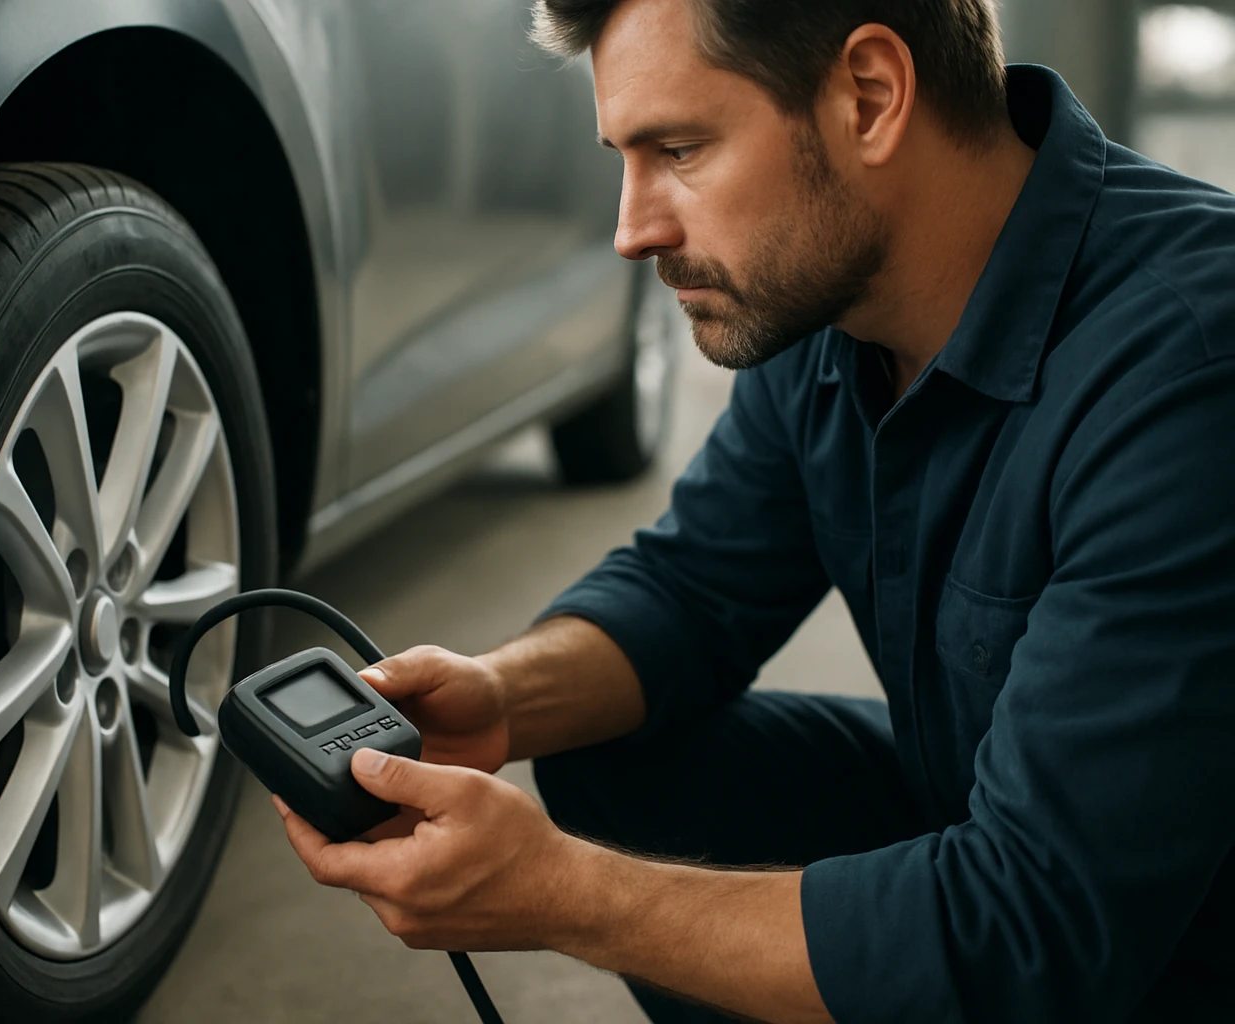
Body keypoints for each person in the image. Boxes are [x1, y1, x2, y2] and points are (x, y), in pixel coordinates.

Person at [272, 0, 1235, 1020]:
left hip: (1168, 938)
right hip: (996, 821)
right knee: (613, 751)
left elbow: (1033, 932)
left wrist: (557, 891)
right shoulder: (840, 305)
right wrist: (499, 698)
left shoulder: (1189, 369)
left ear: (869, 97)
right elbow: (695, 588)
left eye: (679, 150)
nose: (633, 229)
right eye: (626, 158)